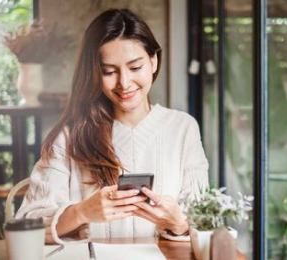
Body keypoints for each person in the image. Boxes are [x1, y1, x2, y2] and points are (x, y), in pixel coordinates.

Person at [16, 9, 209, 244]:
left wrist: (179, 224)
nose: (124, 83)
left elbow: (206, 221)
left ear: (153, 61)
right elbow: (25, 224)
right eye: (108, 71)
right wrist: (81, 212)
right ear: (94, 73)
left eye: (135, 68)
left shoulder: (183, 128)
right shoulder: (70, 136)